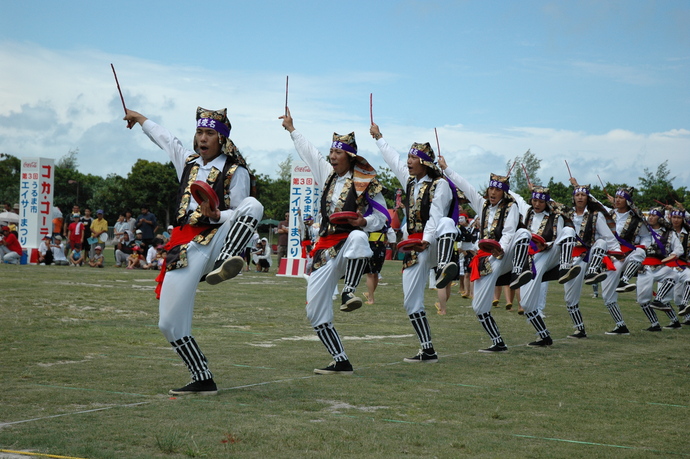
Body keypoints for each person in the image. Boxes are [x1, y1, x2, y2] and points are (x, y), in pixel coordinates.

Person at [125, 105, 263, 395]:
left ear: (221, 138)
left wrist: (215, 216)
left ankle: (228, 262)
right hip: (185, 247)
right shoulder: (188, 163)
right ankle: (202, 378)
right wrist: (139, 119)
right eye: (200, 131)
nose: (202, 138)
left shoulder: (235, 171)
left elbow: (238, 211)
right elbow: (167, 140)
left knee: (253, 206)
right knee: (169, 324)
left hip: (219, 238)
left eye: (210, 133)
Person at [280, 107, 388, 375]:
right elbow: (309, 152)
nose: (331, 157)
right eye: (331, 152)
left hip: (349, 244)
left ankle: (349, 291)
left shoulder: (366, 181)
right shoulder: (327, 175)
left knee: (358, 237)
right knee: (314, 312)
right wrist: (292, 129)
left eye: (337, 153)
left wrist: (363, 221)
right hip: (324, 248)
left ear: (349, 156)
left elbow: (382, 216)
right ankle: (341, 360)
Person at [371, 122, 458, 361]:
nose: (408, 161)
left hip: (435, 243)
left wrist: (427, 241)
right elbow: (392, 160)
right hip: (412, 246)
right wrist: (379, 137)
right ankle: (427, 348)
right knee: (411, 303)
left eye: (413, 157)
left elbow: (436, 216)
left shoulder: (440, 186)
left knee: (446, 224)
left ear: (424, 162)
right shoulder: (410, 182)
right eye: (408, 156)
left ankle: (443, 266)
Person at [438, 159, 535, 352]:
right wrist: (446, 168)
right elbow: (466, 186)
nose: (492, 192)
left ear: (504, 192)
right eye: (491, 188)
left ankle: (518, 272)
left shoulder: (511, 207)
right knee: (479, 308)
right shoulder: (481, 205)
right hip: (483, 257)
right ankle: (498, 342)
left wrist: (501, 249)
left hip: (504, 255)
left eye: (497, 190)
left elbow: (508, 233)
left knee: (523, 233)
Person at [509, 185, 581, 342]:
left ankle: (564, 268)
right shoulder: (526, 211)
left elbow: (559, 239)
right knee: (527, 305)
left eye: (541, 201)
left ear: (547, 202)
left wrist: (546, 244)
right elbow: (516, 197)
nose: (537, 204)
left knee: (568, 231)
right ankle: (544, 336)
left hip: (551, 252)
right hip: (532, 259)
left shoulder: (557, 217)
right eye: (534, 200)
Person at [562, 181, 624, 337]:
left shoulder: (596, 215)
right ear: (573, 197)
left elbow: (608, 237)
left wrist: (617, 252)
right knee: (570, 299)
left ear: (588, 198)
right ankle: (580, 329)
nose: (580, 197)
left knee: (601, 242)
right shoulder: (565, 215)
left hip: (589, 256)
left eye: (583, 195)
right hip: (570, 258)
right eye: (577, 194)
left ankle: (592, 272)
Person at [639, 207, 684, 330]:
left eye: (654, 215)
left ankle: (662, 303)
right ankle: (655, 324)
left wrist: (670, 257)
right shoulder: (643, 231)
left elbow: (679, 249)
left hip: (662, 266)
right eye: (650, 215)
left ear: (660, 218)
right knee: (642, 300)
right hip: (645, 268)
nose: (651, 217)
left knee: (672, 277)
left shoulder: (669, 233)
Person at [669, 207, 690, 321]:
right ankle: (682, 319)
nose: (676, 220)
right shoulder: (666, 232)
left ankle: (685, 303)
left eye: (679, 217)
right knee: (676, 297)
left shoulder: (688, 233)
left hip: (684, 265)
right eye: (674, 217)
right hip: (669, 266)